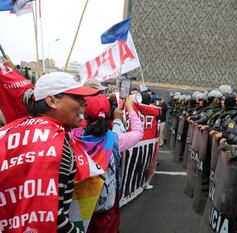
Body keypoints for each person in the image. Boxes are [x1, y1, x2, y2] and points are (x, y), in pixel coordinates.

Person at [0, 72, 99, 232]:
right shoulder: (56, 145)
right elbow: (51, 220)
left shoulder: (12, 130)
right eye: (77, 97)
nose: (85, 103)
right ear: (51, 101)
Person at [72, 94, 143, 233]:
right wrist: (129, 109)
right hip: (105, 206)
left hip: (76, 203)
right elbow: (138, 132)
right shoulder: (114, 140)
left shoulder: (72, 135)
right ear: (109, 113)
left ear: (84, 115)